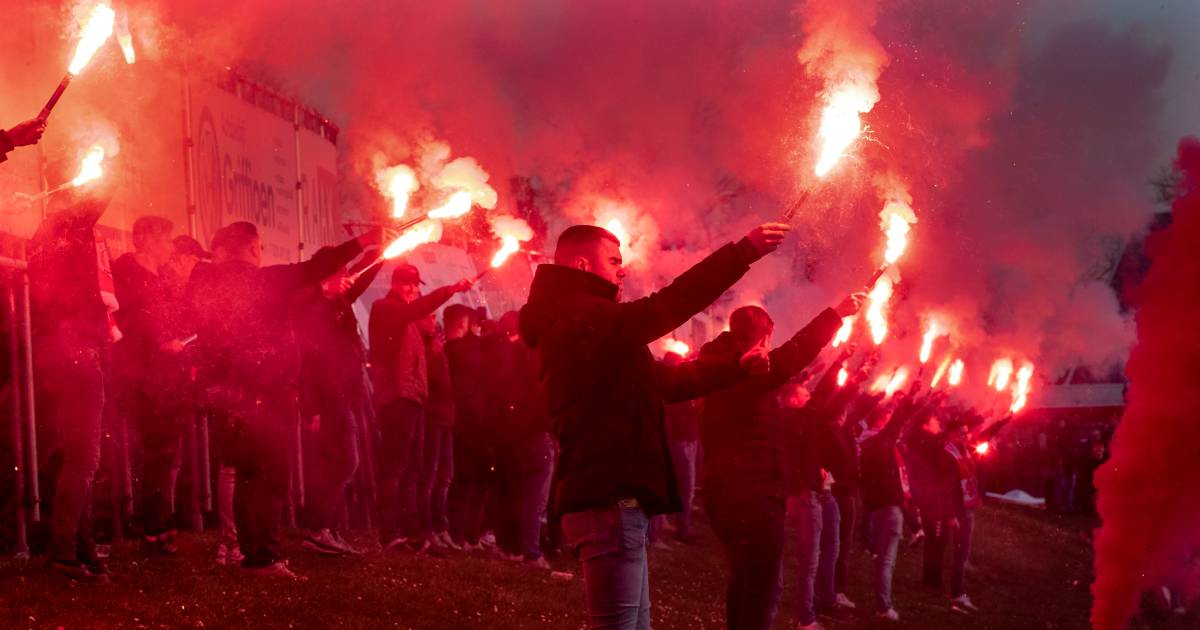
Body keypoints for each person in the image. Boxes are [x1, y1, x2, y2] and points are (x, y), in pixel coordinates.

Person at [519, 221, 792, 630]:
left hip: (614, 498)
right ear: (581, 264)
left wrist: (737, 367)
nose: (622, 270)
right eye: (613, 261)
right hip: (610, 497)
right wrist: (743, 253)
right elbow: (667, 306)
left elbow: (668, 382)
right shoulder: (579, 317)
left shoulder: (591, 324)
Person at [189, 221, 380, 578]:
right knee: (270, 477)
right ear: (251, 248)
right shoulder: (258, 282)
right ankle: (263, 557)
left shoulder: (210, 284)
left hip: (231, 395)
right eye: (258, 248)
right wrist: (363, 242)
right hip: (263, 393)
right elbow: (311, 270)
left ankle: (252, 555)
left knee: (248, 475)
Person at [698, 301, 855, 630]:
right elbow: (791, 357)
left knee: (744, 581)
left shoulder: (721, 367)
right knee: (759, 590)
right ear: (761, 339)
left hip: (731, 495)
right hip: (751, 498)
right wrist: (835, 315)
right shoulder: (743, 370)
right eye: (770, 339)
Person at [28, 189, 113, 581]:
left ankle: (84, 552)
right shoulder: (68, 231)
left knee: (80, 460)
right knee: (84, 459)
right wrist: (115, 156)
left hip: (61, 359)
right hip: (79, 359)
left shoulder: (41, 243)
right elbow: (98, 199)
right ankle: (64, 554)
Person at [369, 263, 472, 553]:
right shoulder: (385, 308)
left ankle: (410, 530)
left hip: (412, 400)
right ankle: (389, 533)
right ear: (394, 283)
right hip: (395, 399)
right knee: (395, 468)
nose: (413, 291)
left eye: (415, 285)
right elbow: (413, 312)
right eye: (407, 284)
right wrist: (451, 290)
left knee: (411, 470)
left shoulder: (409, 320)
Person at [112, 216, 192, 556]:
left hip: (167, 375)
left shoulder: (166, 277)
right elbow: (132, 319)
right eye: (165, 240)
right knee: (155, 453)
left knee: (167, 452)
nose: (170, 248)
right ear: (145, 240)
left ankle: (162, 523)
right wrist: (160, 341)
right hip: (142, 377)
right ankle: (153, 527)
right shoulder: (128, 272)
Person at [292, 249, 381, 556]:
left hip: (344, 394)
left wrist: (382, 250)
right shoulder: (312, 308)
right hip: (328, 398)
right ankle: (318, 528)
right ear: (323, 276)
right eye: (339, 273)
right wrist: (312, 407)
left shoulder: (338, 299)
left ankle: (322, 528)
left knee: (338, 462)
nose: (346, 278)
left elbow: (364, 273)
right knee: (344, 460)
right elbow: (308, 360)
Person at [859, 387, 941, 622]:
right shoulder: (878, 443)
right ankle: (884, 607)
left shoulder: (874, 444)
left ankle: (882, 603)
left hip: (881, 507)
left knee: (884, 559)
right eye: (888, 421)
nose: (894, 427)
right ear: (880, 424)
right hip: (888, 508)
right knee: (887, 560)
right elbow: (899, 422)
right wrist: (913, 395)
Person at [486, 311, 556, 568]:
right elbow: (537, 394)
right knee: (534, 496)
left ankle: (512, 546)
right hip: (533, 432)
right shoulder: (525, 357)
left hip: (514, 434)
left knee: (515, 493)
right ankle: (531, 551)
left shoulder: (502, 354)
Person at [445, 303, 492, 551]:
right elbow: (471, 394)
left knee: (462, 480)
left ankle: (461, 533)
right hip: (471, 425)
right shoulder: (470, 355)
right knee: (470, 481)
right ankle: (464, 534)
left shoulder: (449, 351)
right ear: (464, 324)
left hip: (458, 423)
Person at [928, 415, 985, 615]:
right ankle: (957, 593)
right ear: (951, 434)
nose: (965, 435)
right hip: (958, 511)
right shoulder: (947, 455)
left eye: (966, 432)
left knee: (962, 553)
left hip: (966, 507)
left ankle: (956, 590)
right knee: (960, 553)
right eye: (961, 433)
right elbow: (944, 488)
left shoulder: (962, 451)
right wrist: (950, 515)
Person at [417, 311, 457, 549]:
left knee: (444, 475)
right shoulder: (423, 344)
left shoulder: (437, 347)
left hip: (445, 418)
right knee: (431, 474)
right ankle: (429, 526)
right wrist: (433, 354)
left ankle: (440, 526)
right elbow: (427, 380)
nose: (432, 321)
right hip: (433, 417)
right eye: (428, 316)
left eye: (434, 317)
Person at [661, 352, 699, 544]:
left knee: (679, 487)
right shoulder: (674, 387)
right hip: (682, 440)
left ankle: (676, 524)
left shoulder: (673, 385)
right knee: (685, 488)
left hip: (684, 439)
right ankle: (683, 529)